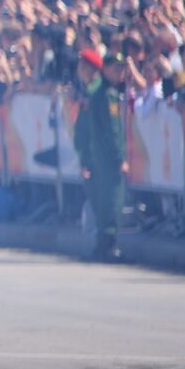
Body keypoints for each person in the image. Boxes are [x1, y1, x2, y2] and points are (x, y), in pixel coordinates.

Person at [75, 51, 129, 262]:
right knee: (111, 201)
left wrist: (84, 157)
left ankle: (102, 246)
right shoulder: (106, 94)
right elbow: (113, 130)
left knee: (101, 201)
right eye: (116, 69)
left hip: (95, 156)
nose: (119, 73)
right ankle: (109, 246)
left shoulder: (92, 91)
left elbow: (81, 131)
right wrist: (119, 158)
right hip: (106, 157)